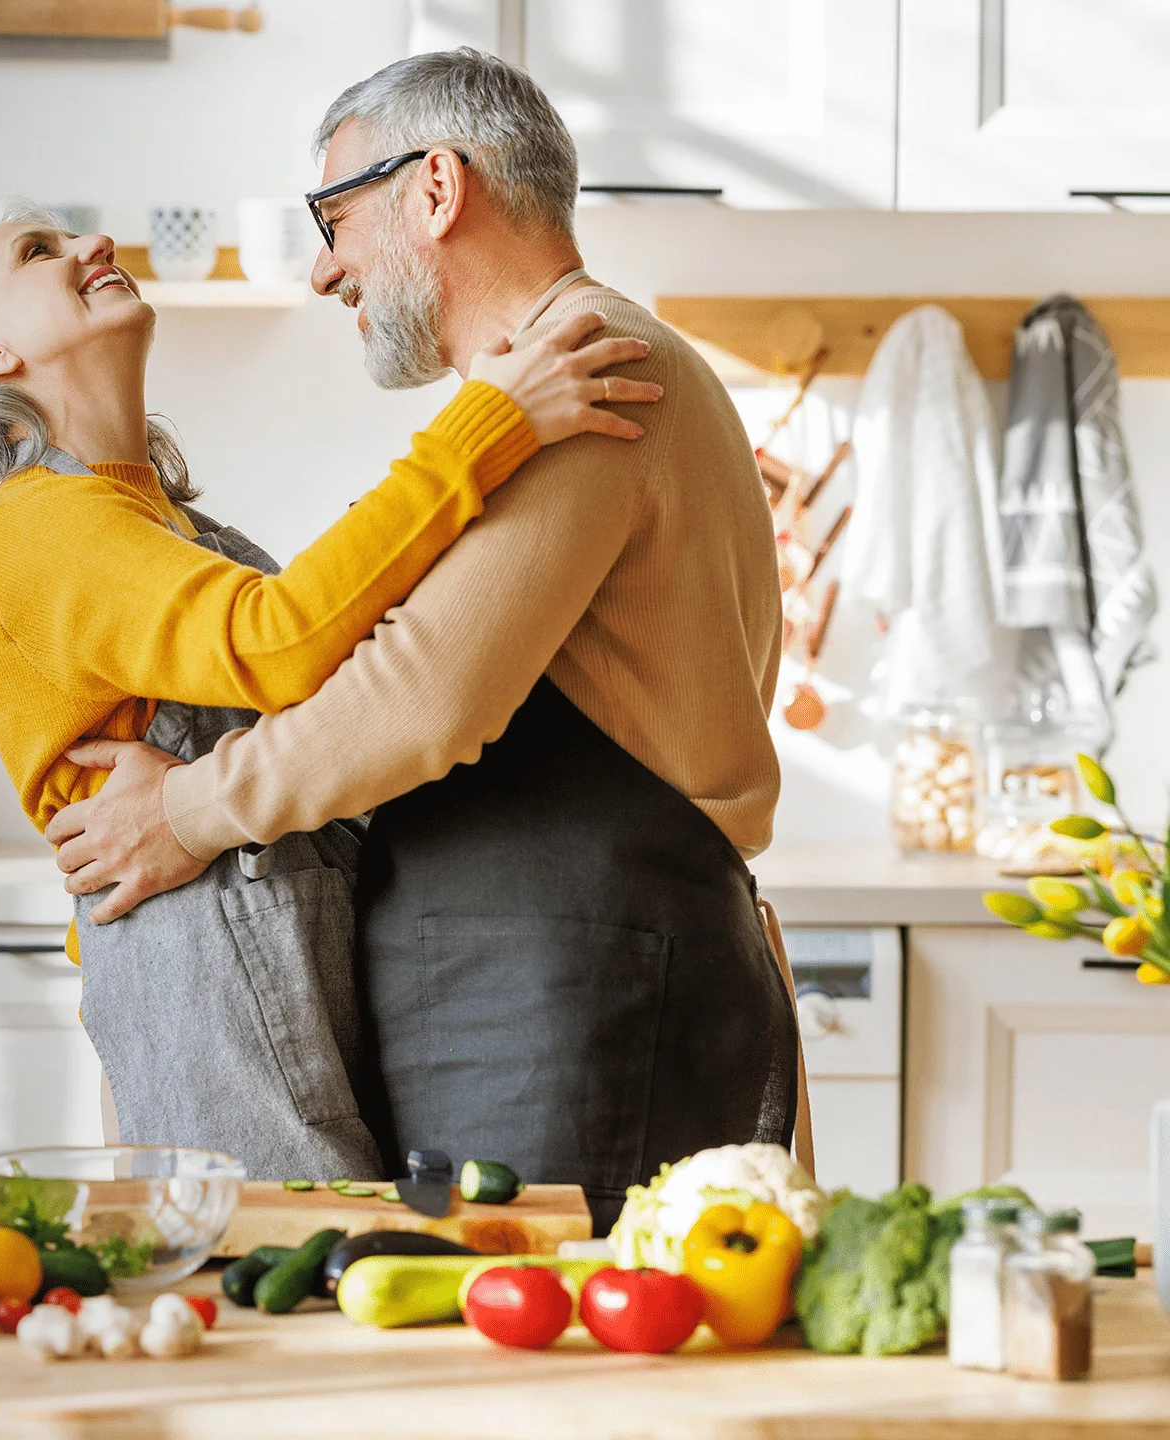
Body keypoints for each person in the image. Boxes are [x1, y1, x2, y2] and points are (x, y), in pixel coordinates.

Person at [43, 49, 795, 1229]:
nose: (325, 267)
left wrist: (181, 815)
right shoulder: (531, 395)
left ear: (437, 189)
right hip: (540, 970)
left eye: (335, 215)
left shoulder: (595, 368)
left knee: (549, 1400)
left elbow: (422, 693)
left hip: (572, 983)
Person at [0, 193, 660, 1178]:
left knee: (334, 1286)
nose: (94, 243)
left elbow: (337, 672)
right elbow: (282, 643)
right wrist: (488, 423)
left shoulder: (158, 524)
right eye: (39, 251)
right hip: (210, 973)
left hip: (273, 956)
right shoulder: (35, 527)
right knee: (296, 1296)